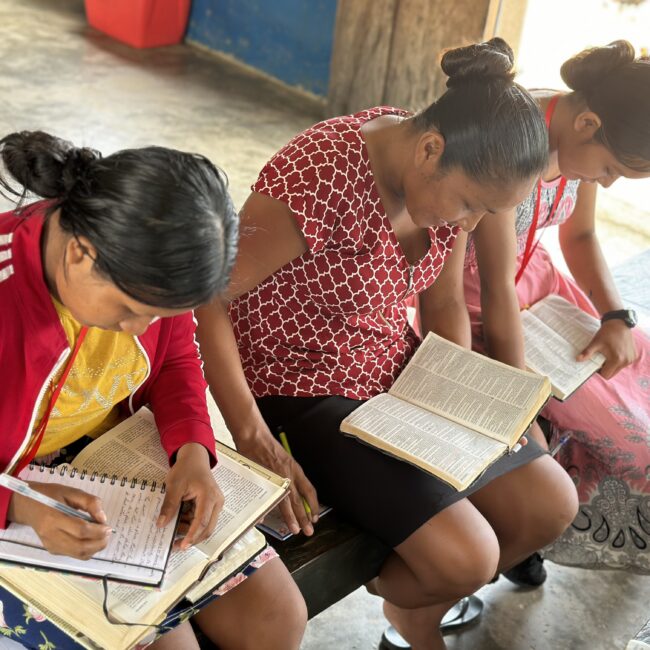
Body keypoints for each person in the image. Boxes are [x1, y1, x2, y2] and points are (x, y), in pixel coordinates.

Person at [195, 38, 578, 650]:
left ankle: (412, 615)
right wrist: (252, 435)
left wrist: (466, 402)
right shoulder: (321, 173)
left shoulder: (443, 177)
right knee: (468, 556)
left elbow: (446, 304)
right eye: (472, 206)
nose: (472, 226)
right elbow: (208, 293)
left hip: (396, 376)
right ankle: (411, 599)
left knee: (548, 503)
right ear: (431, 150)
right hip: (305, 390)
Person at [0, 131, 307, 650]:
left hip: (110, 461)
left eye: (158, 315)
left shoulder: (149, 271)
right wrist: (19, 508)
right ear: (79, 254)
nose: (139, 330)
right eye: (130, 309)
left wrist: (191, 449)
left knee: (278, 616)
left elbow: (177, 359)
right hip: (17, 487)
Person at [462, 40, 650, 582]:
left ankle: (529, 531)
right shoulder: (515, 144)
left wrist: (616, 316)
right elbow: (494, 287)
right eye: (611, 168)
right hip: (485, 309)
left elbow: (582, 234)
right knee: (624, 439)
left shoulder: (575, 138)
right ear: (588, 123)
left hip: (542, 287)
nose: (606, 182)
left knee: (635, 367)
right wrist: (519, 387)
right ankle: (526, 526)